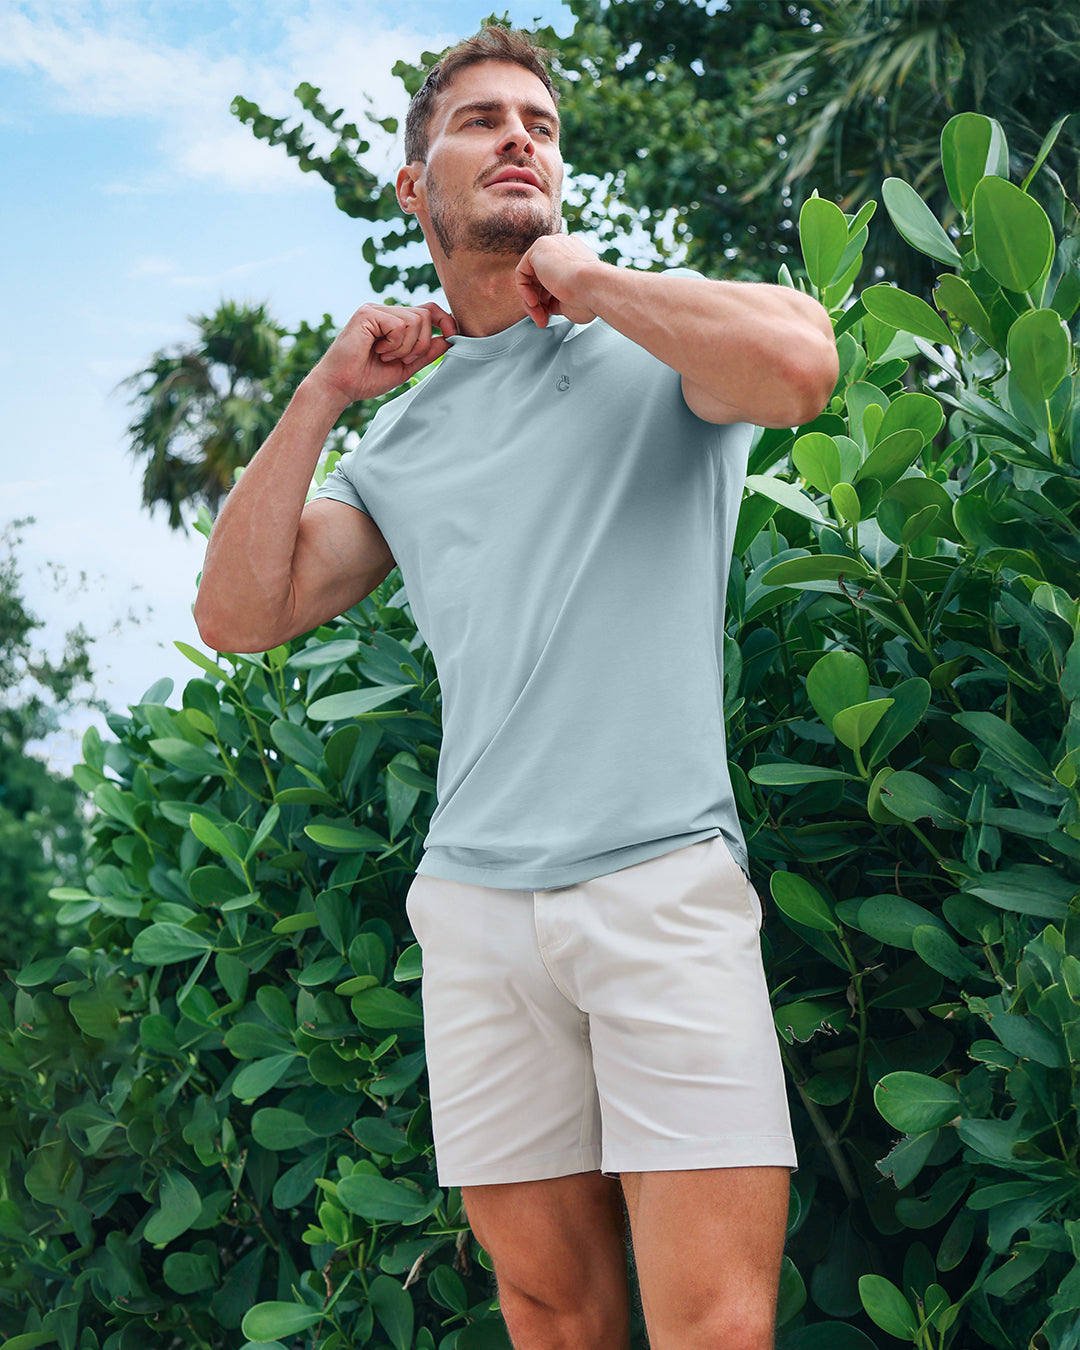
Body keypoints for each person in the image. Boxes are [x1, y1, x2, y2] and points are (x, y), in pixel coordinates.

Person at [195, 23, 838, 1350]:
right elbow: (237, 613)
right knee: (549, 1315)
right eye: (482, 120)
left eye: (538, 123)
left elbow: (800, 367)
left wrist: (592, 279)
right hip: (480, 911)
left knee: (715, 1320)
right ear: (414, 187)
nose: (519, 138)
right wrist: (323, 391)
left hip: (661, 882)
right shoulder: (406, 428)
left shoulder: (654, 338)